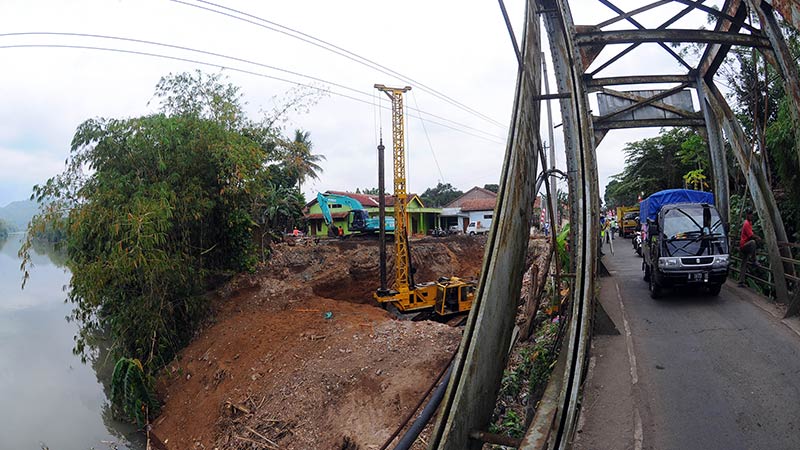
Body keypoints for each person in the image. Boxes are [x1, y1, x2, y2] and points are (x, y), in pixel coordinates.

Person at [738, 209, 761, 287]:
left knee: (744, 264)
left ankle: (741, 281)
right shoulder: (746, 223)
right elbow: (751, 236)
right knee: (753, 242)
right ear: (747, 215)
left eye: (752, 214)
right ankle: (754, 260)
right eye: (750, 214)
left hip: (744, 245)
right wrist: (757, 237)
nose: (751, 216)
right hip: (744, 245)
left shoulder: (749, 223)